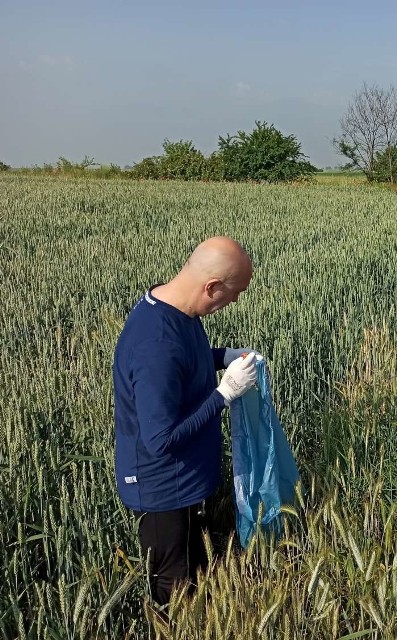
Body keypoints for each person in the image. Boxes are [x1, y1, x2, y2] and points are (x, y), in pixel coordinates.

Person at [113, 236, 260, 606]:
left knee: (199, 581)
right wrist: (224, 395)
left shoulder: (179, 310)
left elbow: (186, 358)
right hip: (163, 492)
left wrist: (223, 356)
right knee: (175, 598)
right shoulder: (155, 344)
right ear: (211, 287)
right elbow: (160, 439)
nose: (237, 301)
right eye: (235, 292)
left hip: (187, 483)